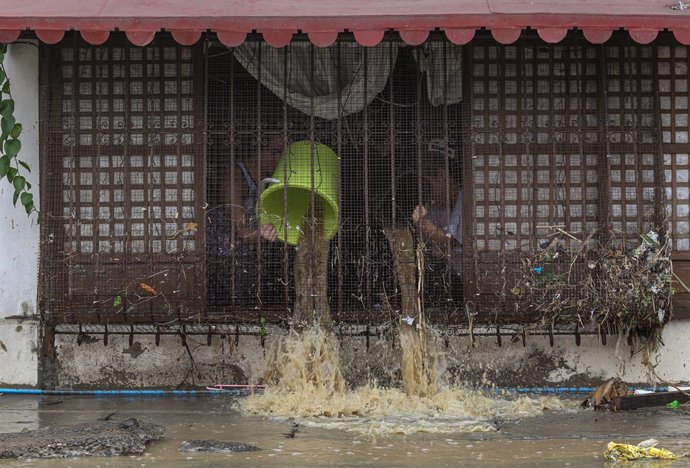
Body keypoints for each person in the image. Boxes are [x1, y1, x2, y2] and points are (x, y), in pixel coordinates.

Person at [207, 133, 286, 306]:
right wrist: (262, 233)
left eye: (283, 154)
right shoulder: (236, 176)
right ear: (257, 150)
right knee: (234, 308)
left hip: (251, 254)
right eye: (274, 152)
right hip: (225, 257)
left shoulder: (271, 179)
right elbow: (240, 229)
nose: (279, 159)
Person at [411, 145, 463, 300]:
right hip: (447, 272)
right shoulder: (438, 205)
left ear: (443, 177)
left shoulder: (464, 199)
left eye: (432, 181)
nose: (430, 188)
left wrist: (424, 223)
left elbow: (448, 241)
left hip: (464, 278)